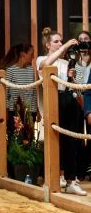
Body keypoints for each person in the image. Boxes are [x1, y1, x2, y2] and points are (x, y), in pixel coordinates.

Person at [36, 28, 87, 196]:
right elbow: (46, 66)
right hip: (52, 101)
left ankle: (71, 180)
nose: (60, 43)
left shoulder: (66, 63)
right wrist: (64, 46)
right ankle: (54, 177)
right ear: (47, 44)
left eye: (61, 40)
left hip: (67, 99)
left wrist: (70, 76)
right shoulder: (42, 59)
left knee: (72, 141)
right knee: (54, 140)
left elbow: (70, 85)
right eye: (56, 41)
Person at [0, 44, 38, 133]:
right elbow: (6, 92)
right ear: (23, 54)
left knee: (29, 138)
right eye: (31, 54)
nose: (33, 57)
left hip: (30, 110)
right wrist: (5, 111)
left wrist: (37, 110)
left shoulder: (31, 69)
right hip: (14, 110)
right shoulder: (10, 70)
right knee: (15, 137)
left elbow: (33, 90)